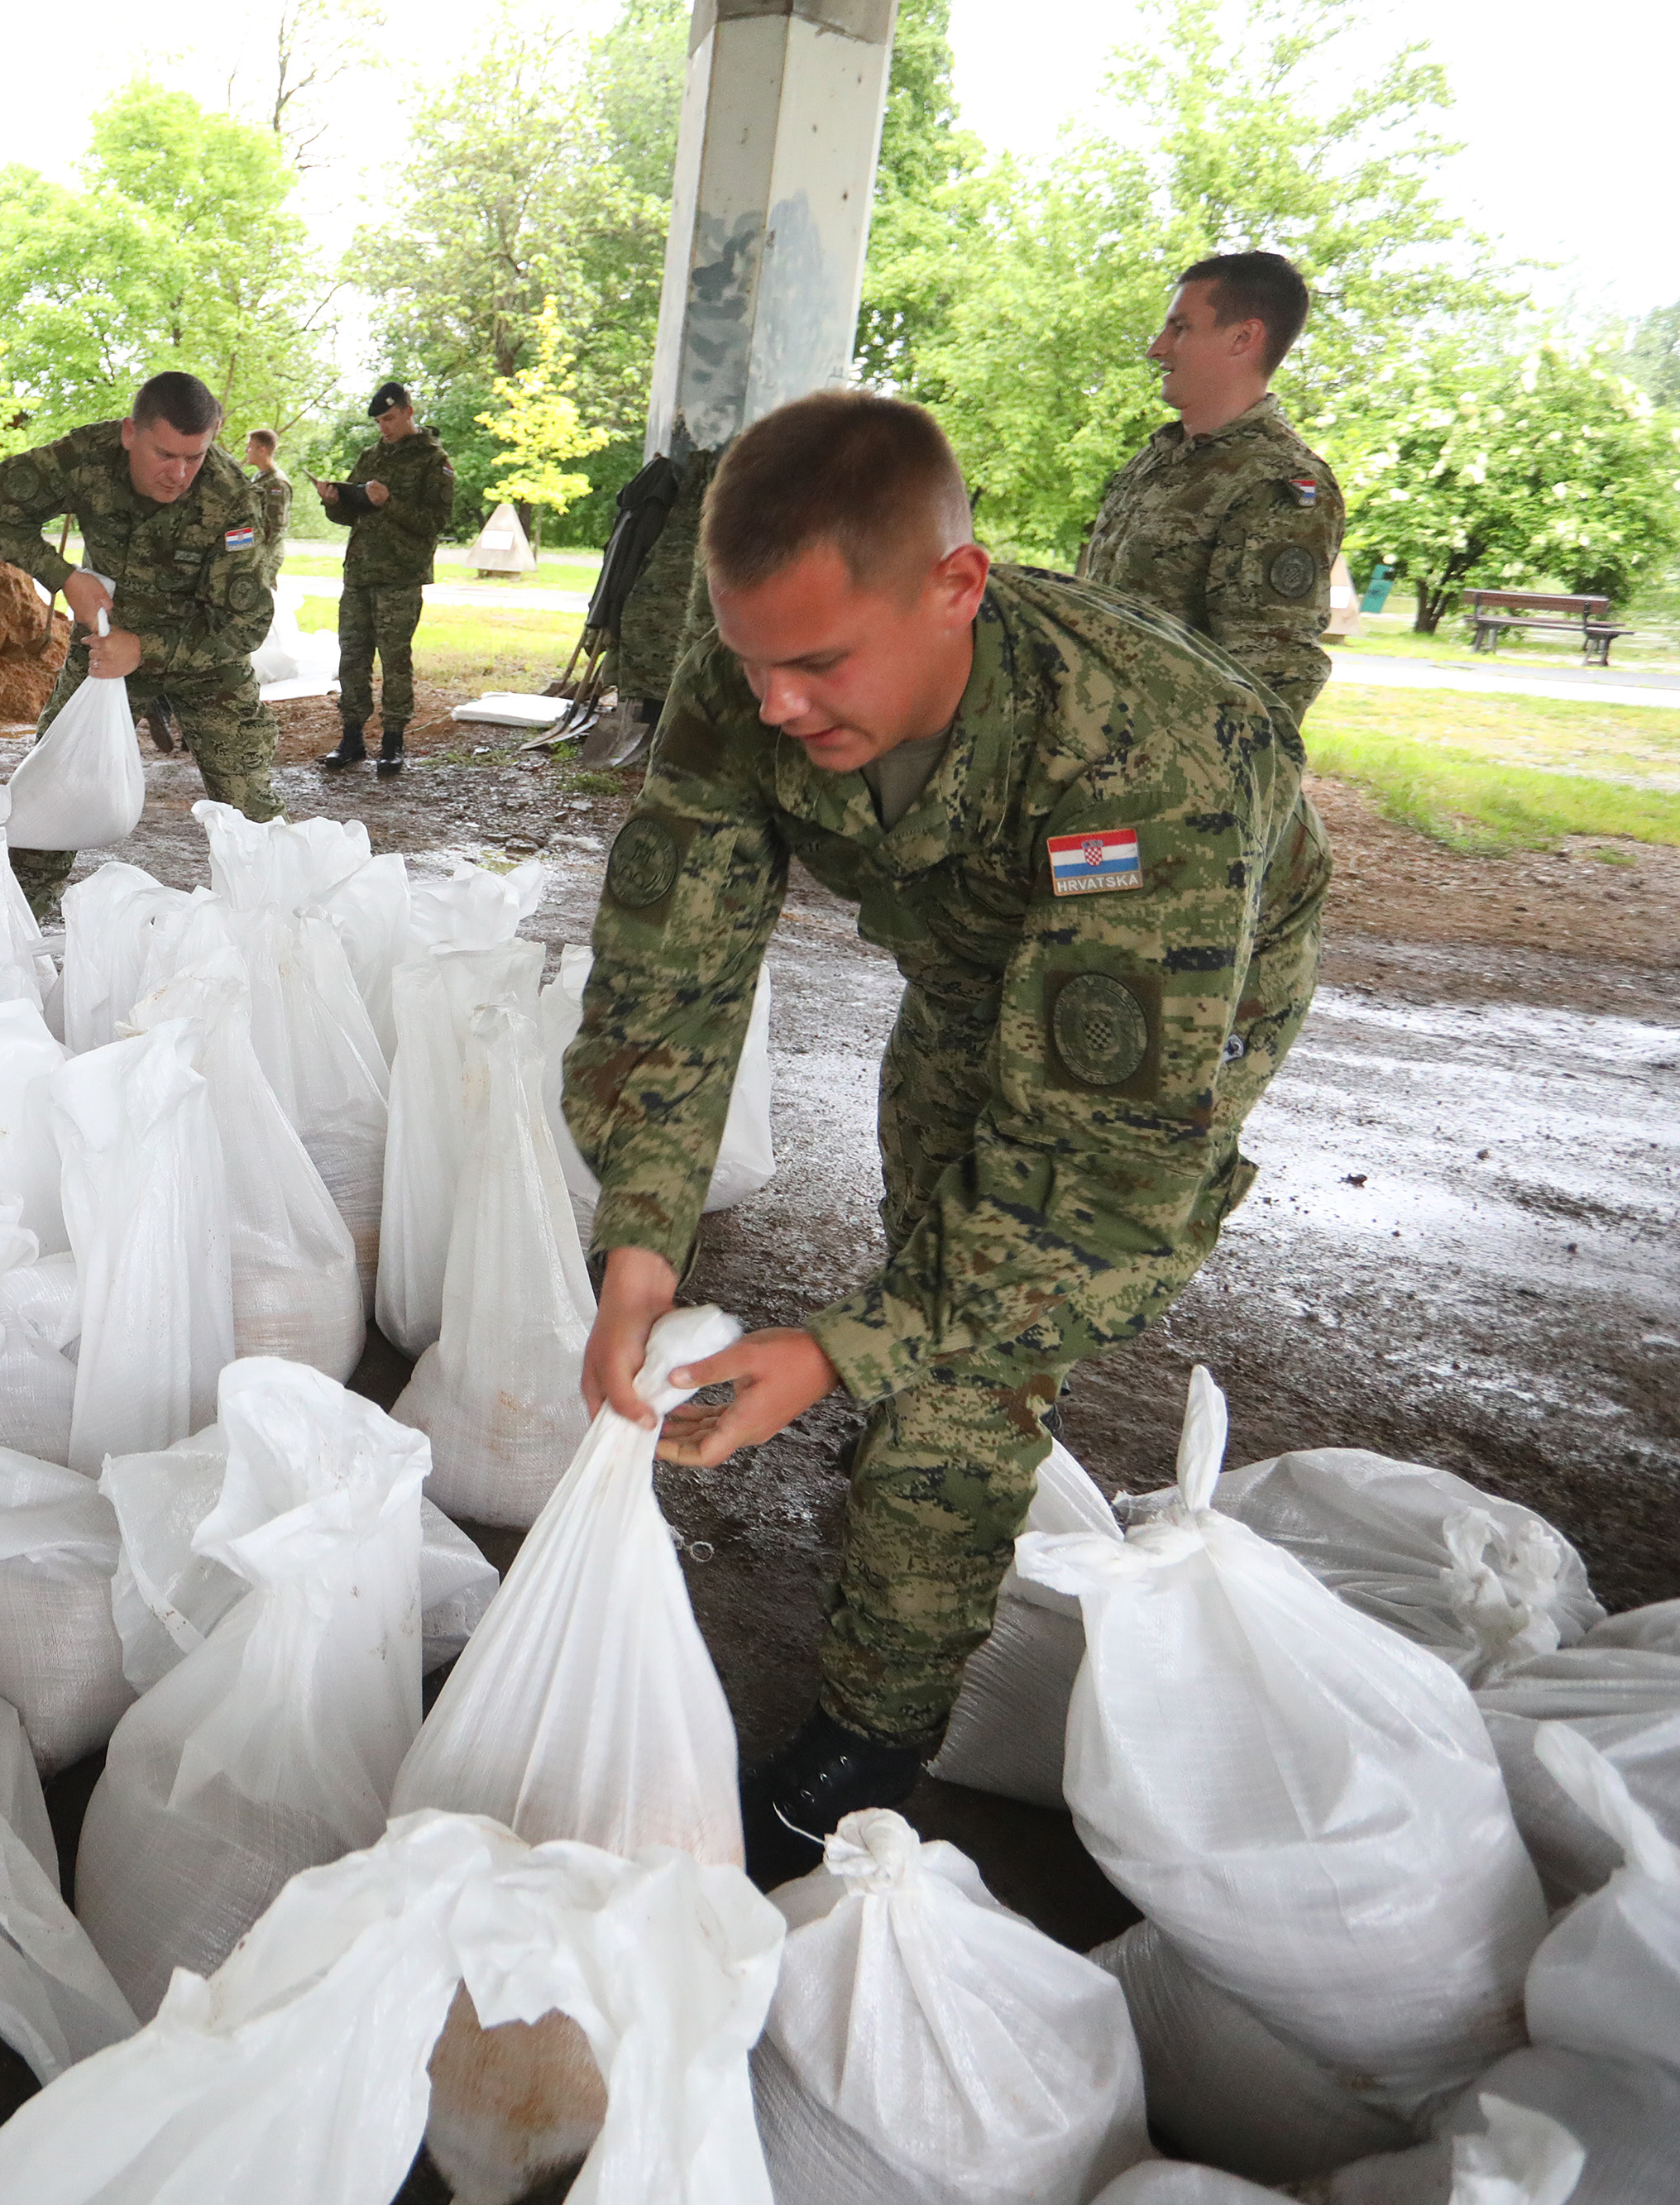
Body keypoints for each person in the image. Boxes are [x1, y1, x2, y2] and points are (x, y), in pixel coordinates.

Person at [562, 391, 1329, 1887]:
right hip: (973, 973)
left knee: (975, 1337)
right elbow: (672, 974)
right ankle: (903, 1443)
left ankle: (872, 1737)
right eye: (752, 661)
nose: (776, 705)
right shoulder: (751, 671)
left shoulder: (1144, 766)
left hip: (1175, 986)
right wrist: (640, 1248)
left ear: (956, 588)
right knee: (930, 1245)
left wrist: (844, 1345)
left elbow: (1087, 1194)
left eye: (819, 665)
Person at [0, 370, 278, 919]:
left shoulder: (230, 499)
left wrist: (145, 647)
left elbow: (244, 625)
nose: (180, 474)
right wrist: (62, 576)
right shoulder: (90, 457)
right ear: (131, 432)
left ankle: (278, 930)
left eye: (195, 457)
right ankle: (14, 924)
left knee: (251, 809)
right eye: (165, 455)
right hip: (106, 648)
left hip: (205, 658)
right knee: (57, 786)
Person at [1080, 249, 1344, 730]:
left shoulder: (1278, 481)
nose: (1156, 348)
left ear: (1243, 338)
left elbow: (1266, 686)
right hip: (1094, 743)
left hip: (1168, 766)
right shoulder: (1159, 457)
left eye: (1180, 328)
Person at [315, 380, 457, 776]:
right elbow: (351, 514)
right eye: (379, 421)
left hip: (400, 576)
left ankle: (393, 742)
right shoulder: (371, 456)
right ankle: (351, 738)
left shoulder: (433, 460)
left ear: (409, 412)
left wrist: (389, 502)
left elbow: (436, 522)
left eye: (390, 419)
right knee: (352, 656)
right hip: (360, 574)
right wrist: (333, 502)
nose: (384, 427)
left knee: (395, 660)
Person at [243, 427, 291, 589]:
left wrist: (261, 559)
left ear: (262, 450)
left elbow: (276, 527)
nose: (246, 451)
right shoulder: (259, 477)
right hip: (254, 552)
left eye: (250, 446)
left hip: (265, 556)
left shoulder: (276, 483)